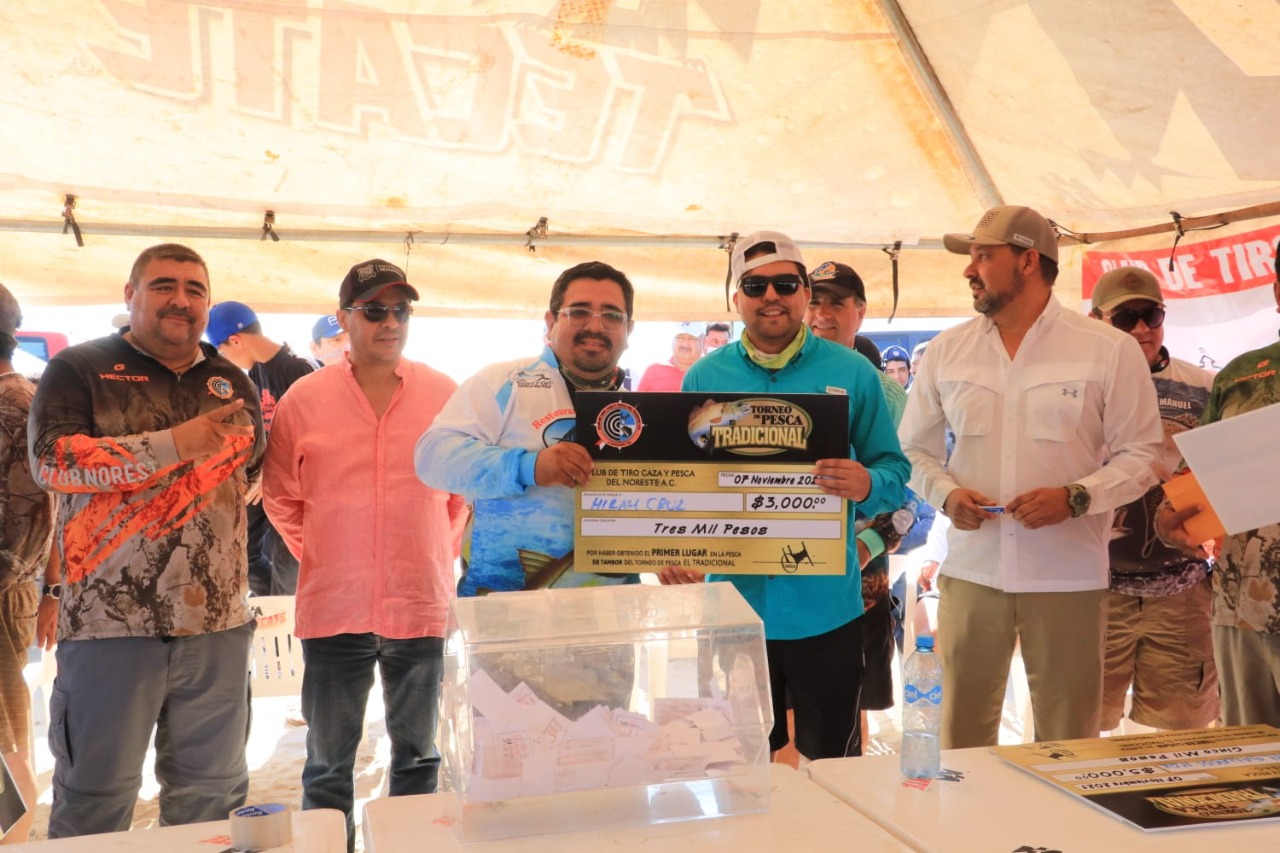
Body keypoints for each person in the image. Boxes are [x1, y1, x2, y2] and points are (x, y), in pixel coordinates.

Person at [898, 205, 1163, 748]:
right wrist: (946, 496)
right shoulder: (948, 349)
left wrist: (1077, 497)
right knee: (960, 741)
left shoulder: (1107, 348)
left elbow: (1144, 455)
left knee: (1069, 744)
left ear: (1027, 261)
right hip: (972, 572)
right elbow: (911, 450)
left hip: (1068, 577)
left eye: (982, 257)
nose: (969, 270)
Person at [28, 243, 264, 837]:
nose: (181, 300)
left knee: (212, 800)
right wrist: (173, 445)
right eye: (164, 286)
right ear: (130, 293)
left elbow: (251, 477)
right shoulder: (80, 368)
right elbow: (52, 460)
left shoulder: (231, 380)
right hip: (110, 626)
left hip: (217, 627)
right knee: (95, 800)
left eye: (195, 289)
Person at [668, 231, 910, 762]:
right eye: (756, 286)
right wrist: (671, 547)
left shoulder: (853, 373)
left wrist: (867, 484)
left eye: (785, 283)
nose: (771, 296)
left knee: (834, 765)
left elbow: (895, 470)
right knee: (739, 762)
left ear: (804, 293)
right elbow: (683, 483)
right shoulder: (704, 375)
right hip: (734, 611)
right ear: (737, 298)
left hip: (826, 610)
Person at [262, 259, 465, 851]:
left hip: (420, 607)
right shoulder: (304, 399)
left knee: (419, 759)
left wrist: (428, 555)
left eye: (401, 310)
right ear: (344, 318)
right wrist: (330, 554)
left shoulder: (443, 394)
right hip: (335, 610)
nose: (390, 322)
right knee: (327, 765)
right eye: (375, 310)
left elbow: (459, 498)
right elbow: (281, 498)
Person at [415, 261, 642, 597]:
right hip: (503, 614)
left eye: (611, 315)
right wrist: (528, 467)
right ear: (550, 322)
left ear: (628, 329)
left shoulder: (639, 413)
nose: (595, 325)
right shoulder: (504, 382)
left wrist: (673, 556)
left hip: (612, 615)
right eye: (579, 312)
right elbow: (432, 458)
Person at [1088, 266, 1218, 733]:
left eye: (1152, 314)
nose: (1142, 328)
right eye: (1126, 317)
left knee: (1182, 739)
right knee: (1079, 734)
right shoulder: (1077, 388)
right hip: (1095, 592)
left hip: (1183, 594)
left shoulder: (1205, 387)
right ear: (1097, 320)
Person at [1157, 242, 1280, 727]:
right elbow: (1194, 481)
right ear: (1277, 291)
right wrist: (1172, 521)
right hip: (1241, 610)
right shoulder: (1240, 376)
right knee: (1252, 762)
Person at [804, 260, 910, 734]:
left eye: (837, 303)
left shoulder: (888, 393)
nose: (822, 313)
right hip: (782, 577)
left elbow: (911, 490)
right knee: (782, 713)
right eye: (814, 301)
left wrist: (867, 545)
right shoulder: (777, 377)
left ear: (860, 312)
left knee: (848, 715)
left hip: (859, 582)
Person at [207, 300, 314, 595]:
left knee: (288, 570)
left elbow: (312, 436)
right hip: (263, 481)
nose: (225, 359)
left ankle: (284, 612)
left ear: (235, 340)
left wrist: (270, 471)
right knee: (240, 553)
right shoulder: (253, 374)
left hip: (295, 488)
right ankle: (273, 607)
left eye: (222, 351)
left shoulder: (299, 368)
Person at [0, 283, 54, 844]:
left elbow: (39, 513)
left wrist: (52, 591)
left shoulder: (15, 404)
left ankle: (10, 840)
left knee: (7, 743)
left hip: (4, 592)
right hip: (15, 589)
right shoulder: (26, 398)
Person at [636, 322, 704, 391]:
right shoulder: (653, 371)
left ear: (703, 342)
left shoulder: (709, 372)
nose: (685, 344)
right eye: (679, 337)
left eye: (692, 338)